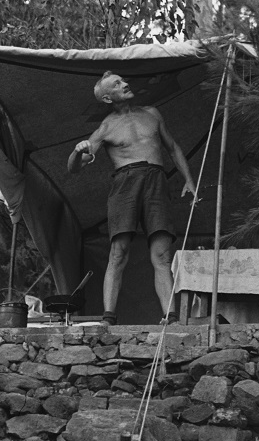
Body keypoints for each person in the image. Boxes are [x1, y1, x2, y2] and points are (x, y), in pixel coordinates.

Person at [66, 70, 196, 323]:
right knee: (119, 252)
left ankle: (170, 316)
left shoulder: (152, 113)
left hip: (156, 181)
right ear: (107, 98)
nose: (125, 84)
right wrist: (76, 151)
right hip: (125, 183)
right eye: (117, 84)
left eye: (123, 80)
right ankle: (108, 317)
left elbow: (173, 148)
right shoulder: (106, 127)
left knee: (162, 254)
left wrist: (189, 180)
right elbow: (75, 168)